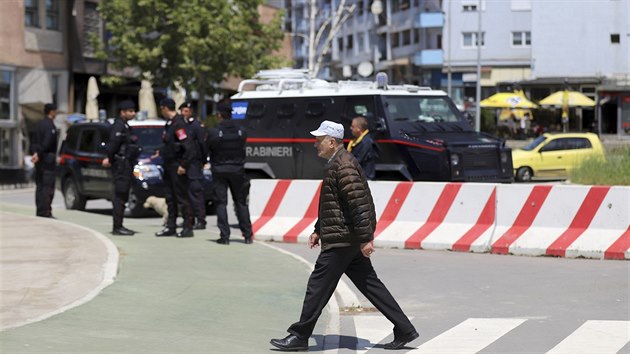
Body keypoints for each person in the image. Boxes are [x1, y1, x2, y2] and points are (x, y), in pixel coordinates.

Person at [270, 120, 418, 352]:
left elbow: (358, 205)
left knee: (317, 287)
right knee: (371, 285)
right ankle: (405, 329)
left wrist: (365, 239)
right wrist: (319, 229)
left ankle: (299, 336)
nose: (315, 144)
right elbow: (335, 203)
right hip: (345, 236)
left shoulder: (344, 165)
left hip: (344, 240)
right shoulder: (338, 163)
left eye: (319, 140)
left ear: (332, 142)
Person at [207, 102, 252, 245]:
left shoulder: (214, 131)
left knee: (221, 203)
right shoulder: (241, 130)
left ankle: (224, 237)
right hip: (237, 170)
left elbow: (208, 147)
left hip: (219, 170)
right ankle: (248, 235)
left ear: (219, 115)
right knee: (241, 202)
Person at [155, 98, 196, 238]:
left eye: (161, 109)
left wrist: (183, 165)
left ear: (165, 108)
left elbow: (188, 147)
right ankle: (170, 226)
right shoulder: (170, 124)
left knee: (182, 198)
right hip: (168, 165)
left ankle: (187, 227)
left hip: (177, 165)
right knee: (170, 197)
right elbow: (169, 144)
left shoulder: (178, 124)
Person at [102, 100, 141, 235]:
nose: (133, 113)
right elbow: (113, 145)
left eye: (133, 110)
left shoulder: (125, 126)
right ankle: (117, 227)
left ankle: (119, 225)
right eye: (130, 111)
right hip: (121, 165)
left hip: (126, 164)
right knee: (120, 195)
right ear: (122, 112)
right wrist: (111, 158)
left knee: (123, 195)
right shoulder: (118, 126)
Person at [179, 101, 207, 229]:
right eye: (182, 111)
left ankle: (201, 220)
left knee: (196, 192)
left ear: (190, 112)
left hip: (194, 163)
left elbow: (202, 144)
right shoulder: (181, 125)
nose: (183, 113)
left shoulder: (196, 126)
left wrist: (203, 161)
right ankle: (189, 219)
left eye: (186, 111)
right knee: (186, 194)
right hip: (184, 162)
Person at [30, 103, 58, 218]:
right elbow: (46, 143)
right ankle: (45, 211)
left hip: (39, 160)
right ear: (51, 112)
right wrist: (39, 153)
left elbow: (33, 142)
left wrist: (35, 153)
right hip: (47, 160)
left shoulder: (38, 125)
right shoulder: (50, 126)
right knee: (48, 186)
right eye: (55, 111)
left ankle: (39, 210)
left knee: (40, 186)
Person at [347, 116, 377, 180]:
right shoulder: (357, 141)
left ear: (359, 128)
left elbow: (358, 160)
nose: (350, 128)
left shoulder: (366, 142)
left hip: (364, 179)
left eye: (353, 126)